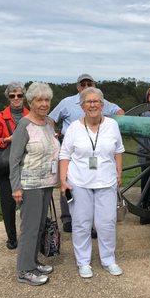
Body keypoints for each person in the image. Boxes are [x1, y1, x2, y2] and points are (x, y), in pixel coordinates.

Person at [59, 87, 124, 278]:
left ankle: (108, 260)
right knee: (81, 223)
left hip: (106, 181)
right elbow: (64, 154)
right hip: (80, 182)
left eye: (96, 101)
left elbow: (118, 150)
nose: (93, 105)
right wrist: (63, 180)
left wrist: (119, 172)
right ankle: (83, 262)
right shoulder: (74, 127)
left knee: (107, 223)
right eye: (88, 102)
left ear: (102, 105)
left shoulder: (112, 125)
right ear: (82, 106)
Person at [49, 73, 124, 233]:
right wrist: (51, 135)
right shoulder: (67, 102)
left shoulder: (101, 101)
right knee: (69, 186)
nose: (86, 86)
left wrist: (117, 122)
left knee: (95, 189)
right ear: (78, 87)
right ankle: (68, 219)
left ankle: (95, 224)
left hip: (97, 150)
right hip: (73, 148)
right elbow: (51, 118)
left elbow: (119, 111)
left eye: (89, 83)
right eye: (83, 84)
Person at [9, 82, 60, 286]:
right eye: (39, 100)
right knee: (29, 228)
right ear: (31, 102)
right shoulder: (24, 125)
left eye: (47, 100)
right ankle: (24, 270)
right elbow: (14, 159)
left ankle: (33, 262)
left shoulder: (49, 123)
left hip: (46, 182)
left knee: (39, 226)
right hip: (29, 184)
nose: (44, 104)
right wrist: (16, 187)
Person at [0, 81, 29, 250]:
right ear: (8, 97)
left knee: (27, 201)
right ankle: (12, 238)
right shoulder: (1, 117)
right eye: (13, 95)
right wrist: (5, 140)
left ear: (24, 96)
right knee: (7, 202)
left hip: (25, 164)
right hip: (5, 165)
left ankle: (28, 234)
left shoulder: (30, 114)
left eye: (19, 95)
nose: (16, 98)